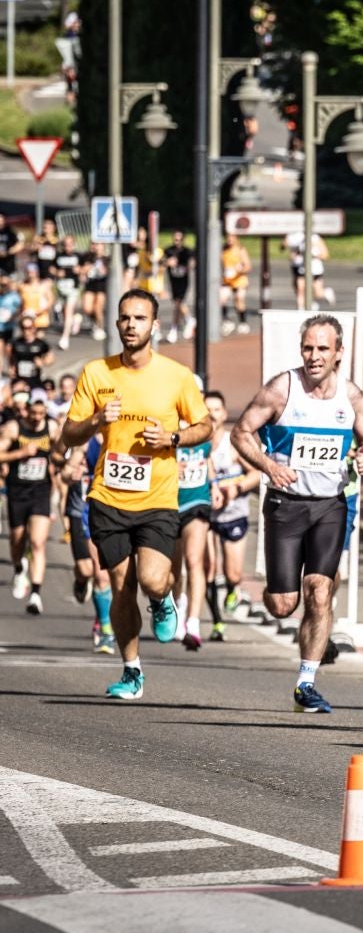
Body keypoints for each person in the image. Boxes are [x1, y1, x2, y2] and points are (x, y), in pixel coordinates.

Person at [55, 289, 212, 700]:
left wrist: (173, 437)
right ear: (117, 323)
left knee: (152, 578)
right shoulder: (96, 373)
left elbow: (205, 425)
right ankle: (131, 671)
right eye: (124, 318)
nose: (130, 325)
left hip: (157, 497)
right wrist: (93, 421)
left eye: (139, 318)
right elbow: (68, 434)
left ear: (154, 326)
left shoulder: (176, 376)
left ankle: (162, 599)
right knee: (121, 586)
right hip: (107, 495)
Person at [234, 314, 363, 713]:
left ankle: (306, 682)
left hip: (330, 505)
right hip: (287, 504)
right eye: (308, 348)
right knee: (284, 604)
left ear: (339, 353)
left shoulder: (349, 396)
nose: (314, 357)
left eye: (322, 349)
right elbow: (241, 432)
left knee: (320, 590)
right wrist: (269, 466)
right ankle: (279, 594)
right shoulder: (283, 388)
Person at [204, 391, 256, 639]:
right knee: (207, 568)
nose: (211, 415)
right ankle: (217, 622)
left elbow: (256, 474)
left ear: (224, 414)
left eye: (216, 410)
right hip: (205, 516)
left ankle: (234, 589)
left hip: (234, 514)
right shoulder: (197, 445)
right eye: (207, 410)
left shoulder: (232, 444)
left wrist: (237, 488)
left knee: (233, 573)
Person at [0, 390, 55, 613]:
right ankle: (18, 567)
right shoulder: (14, 429)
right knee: (17, 540)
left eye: (41, 414)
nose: (36, 418)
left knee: (37, 542)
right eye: (33, 413)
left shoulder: (51, 428)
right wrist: (20, 454)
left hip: (40, 491)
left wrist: (61, 461)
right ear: (26, 411)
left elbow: (63, 450)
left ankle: (35, 594)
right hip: (17, 492)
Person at [171, 391, 216, 652]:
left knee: (194, 560)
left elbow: (209, 458)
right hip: (170, 503)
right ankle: (178, 605)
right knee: (173, 569)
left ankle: (194, 622)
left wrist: (217, 485)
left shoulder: (206, 427)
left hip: (197, 502)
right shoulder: (169, 427)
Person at [55, 438, 110, 650]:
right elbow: (66, 473)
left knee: (103, 575)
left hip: (110, 513)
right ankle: (80, 582)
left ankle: (104, 628)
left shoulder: (126, 437)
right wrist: (71, 474)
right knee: (87, 570)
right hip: (82, 512)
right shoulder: (87, 444)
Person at [52, 234, 82, 350]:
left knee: (68, 311)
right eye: (65, 244)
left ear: (74, 244)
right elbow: (52, 267)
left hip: (73, 287)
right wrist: (57, 273)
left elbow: (86, 267)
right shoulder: (58, 255)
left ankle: (65, 338)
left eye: (70, 244)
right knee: (64, 312)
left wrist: (80, 270)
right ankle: (76, 319)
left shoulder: (79, 256)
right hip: (61, 287)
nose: (67, 246)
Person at [163, 231, 194, 343]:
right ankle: (189, 319)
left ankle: (173, 329)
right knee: (179, 304)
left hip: (183, 281)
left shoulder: (187, 251)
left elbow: (192, 262)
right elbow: (161, 262)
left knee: (178, 304)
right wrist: (167, 262)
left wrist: (189, 265)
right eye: (175, 239)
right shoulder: (168, 250)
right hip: (173, 281)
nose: (177, 242)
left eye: (179, 239)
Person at [220, 235, 251, 334]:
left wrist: (240, 269)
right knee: (221, 299)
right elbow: (221, 264)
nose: (229, 240)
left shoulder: (240, 250)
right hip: (227, 280)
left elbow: (248, 266)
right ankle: (227, 321)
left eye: (231, 238)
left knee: (239, 300)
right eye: (228, 238)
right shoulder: (224, 250)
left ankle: (243, 322)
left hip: (239, 279)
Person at [11, 311, 50, 391]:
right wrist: (11, 367)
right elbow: (10, 357)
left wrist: (43, 362)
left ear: (34, 328)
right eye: (23, 328)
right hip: (19, 380)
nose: (26, 331)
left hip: (35, 380)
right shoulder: (16, 343)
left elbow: (50, 357)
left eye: (29, 328)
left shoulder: (40, 343)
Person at [81, 244, 109, 340]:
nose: (95, 247)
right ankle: (95, 320)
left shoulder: (106, 259)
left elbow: (106, 271)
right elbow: (82, 270)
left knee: (98, 307)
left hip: (101, 285)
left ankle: (100, 327)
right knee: (87, 308)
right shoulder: (87, 257)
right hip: (90, 284)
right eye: (93, 244)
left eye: (98, 244)